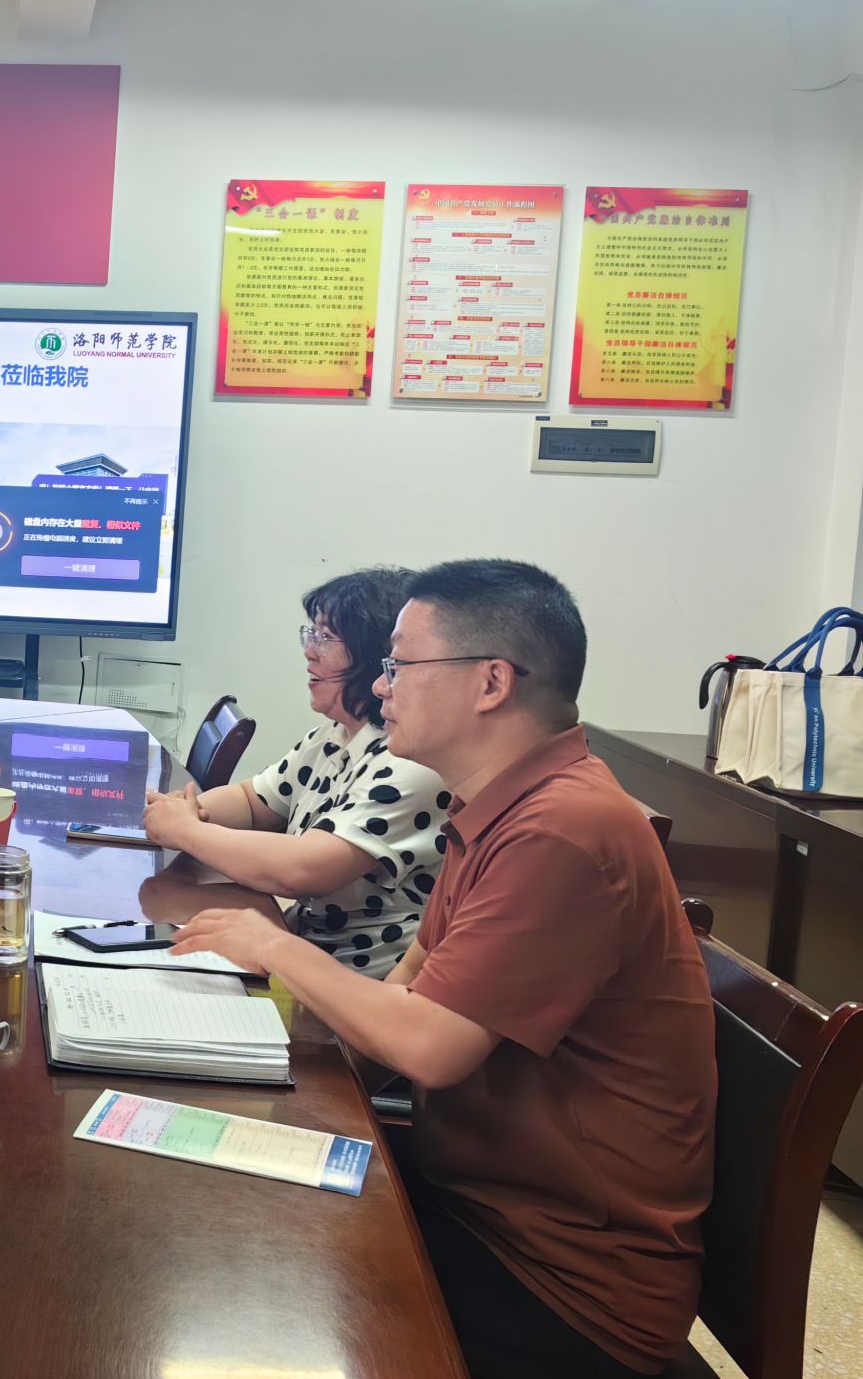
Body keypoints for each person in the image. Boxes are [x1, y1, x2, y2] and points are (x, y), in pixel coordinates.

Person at [171, 560, 715, 1379]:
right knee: (210, 1211)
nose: (379, 685)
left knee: (230, 1297)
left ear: (491, 682)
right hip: (471, 1201)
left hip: (560, 1282)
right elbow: (406, 990)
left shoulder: (561, 829)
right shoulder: (497, 804)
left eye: (400, 665)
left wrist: (275, 947)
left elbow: (431, 1047)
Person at [142, 569, 450, 975]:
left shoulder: (412, 763)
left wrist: (186, 831)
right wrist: (184, 809)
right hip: (296, 948)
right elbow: (254, 801)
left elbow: (302, 871)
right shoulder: (334, 735)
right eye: (311, 634)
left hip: (352, 981)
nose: (309, 652)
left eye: (326, 638)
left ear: (376, 655)